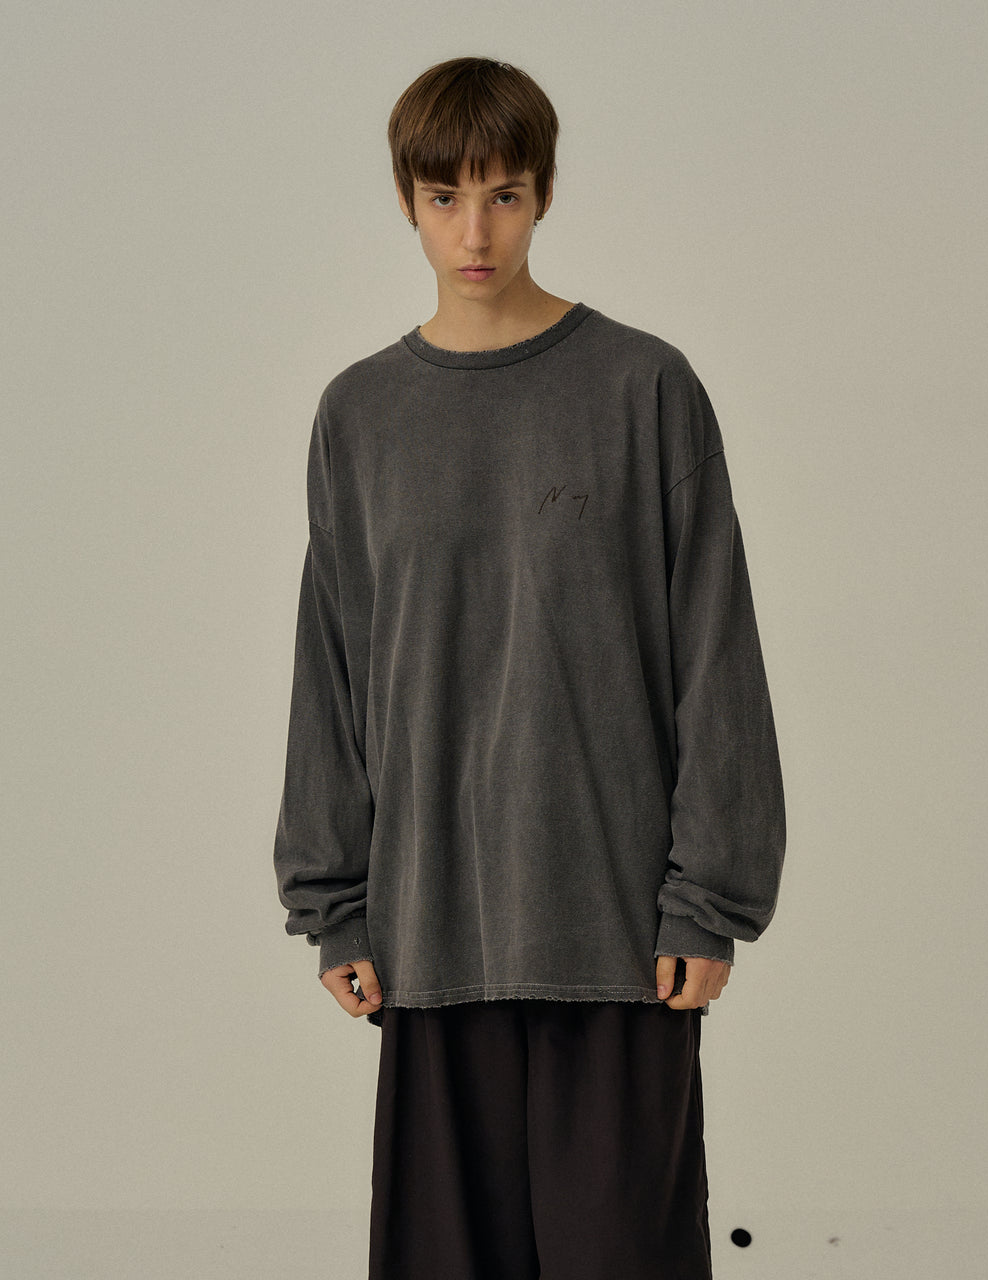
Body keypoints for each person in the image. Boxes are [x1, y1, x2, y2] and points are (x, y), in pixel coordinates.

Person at [274, 55, 785, 1280]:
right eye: (444, 198)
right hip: (429, 933)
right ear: (407, 201)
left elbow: (716, 652)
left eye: (502, 195)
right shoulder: (359, 415)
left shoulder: (643, 388)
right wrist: (332, 902)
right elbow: (331, 667)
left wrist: (708, 898)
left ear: (544, 193)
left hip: (618, 934)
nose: (475, 232)